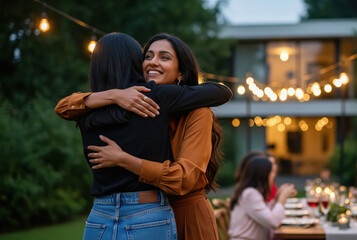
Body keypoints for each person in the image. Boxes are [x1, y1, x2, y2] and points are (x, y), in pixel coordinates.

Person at [55, 33, 232, 240]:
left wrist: (123, 160)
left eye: (164, 57)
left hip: (187, 216)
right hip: (150, 211)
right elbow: (63, 107)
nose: (153, 62)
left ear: (180, 73)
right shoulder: (135, 100)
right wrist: (115, 94)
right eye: (148, 56)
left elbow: (184, 178)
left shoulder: (191, 110)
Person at [229, 156, 297, 240]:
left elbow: (266, 214)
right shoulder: (250, 194)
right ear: (263, 174)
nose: (274, 176)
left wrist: (277, 198)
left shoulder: (252, 192)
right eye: (272, 172)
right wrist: (281, 199)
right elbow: (273, 222)